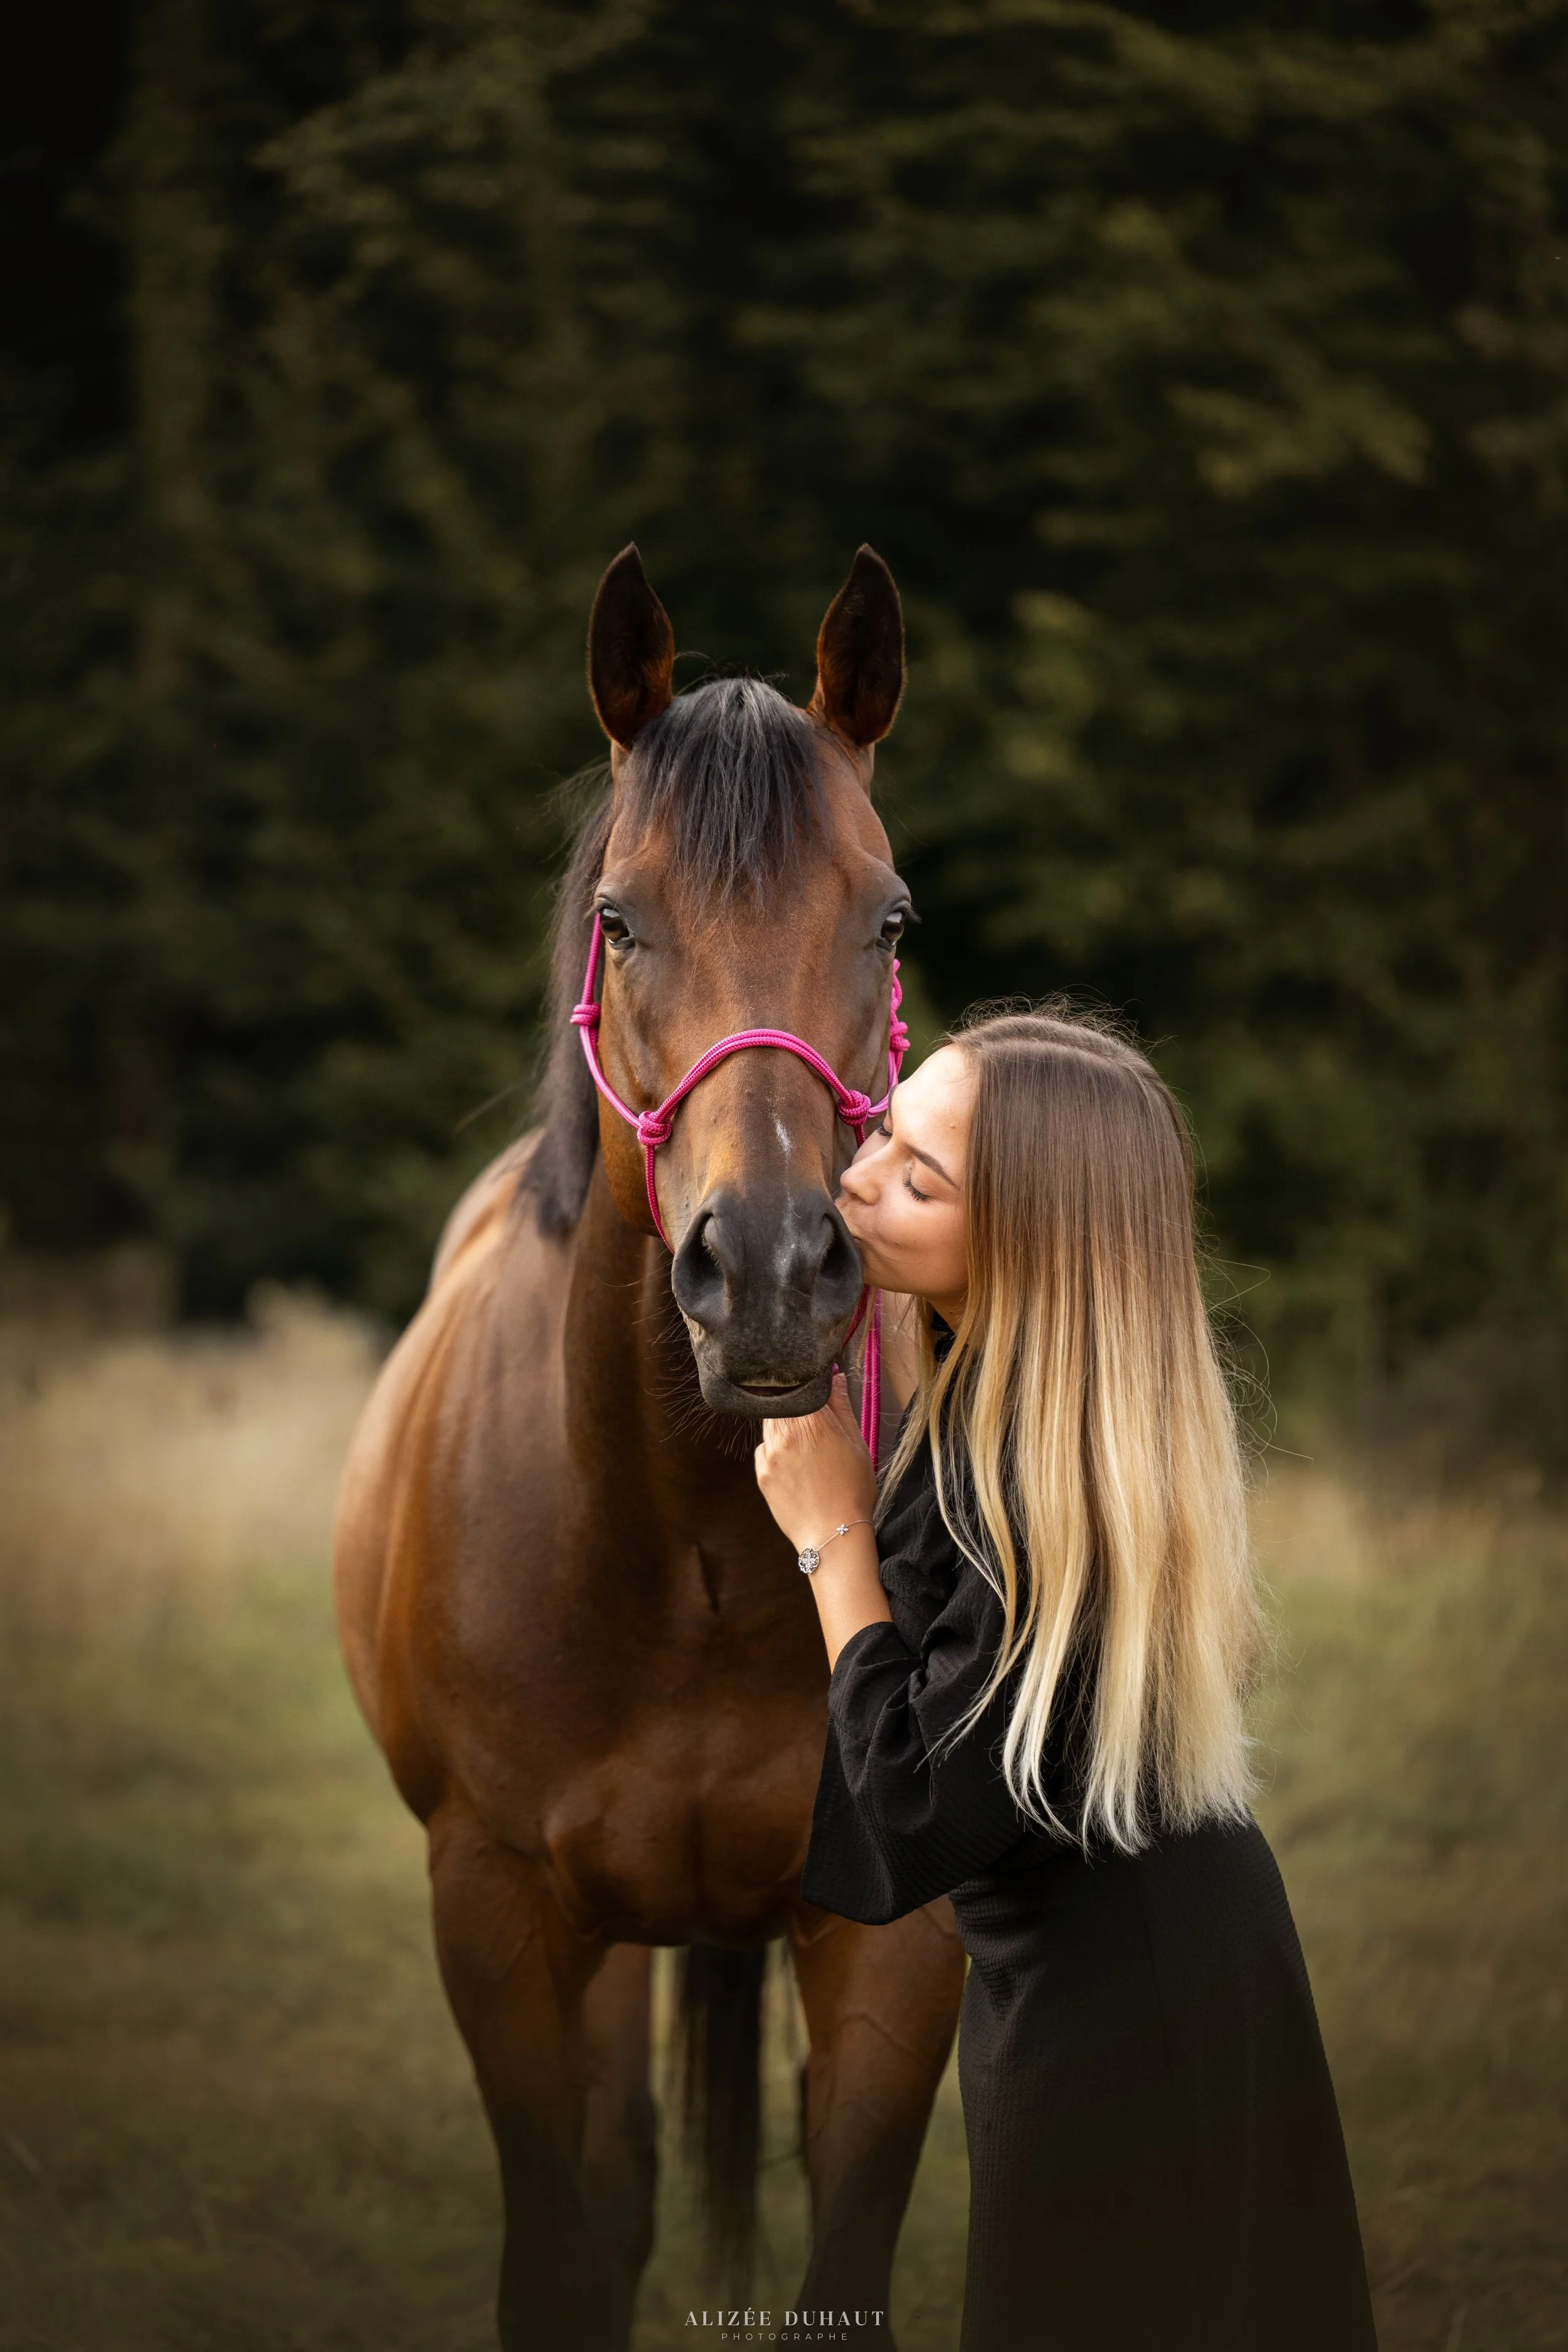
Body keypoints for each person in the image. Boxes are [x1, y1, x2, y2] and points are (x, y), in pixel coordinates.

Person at [754, 1009, 1378, 2352]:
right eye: (880, 1134)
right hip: (1137, 1957)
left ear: (1028, 1253)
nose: (856, 1178)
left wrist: (830, 1542)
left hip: (1124, 2015)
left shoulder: (1031, 1485)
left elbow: (916, 1812)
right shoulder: (1031, 1412)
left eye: (920, 1181)